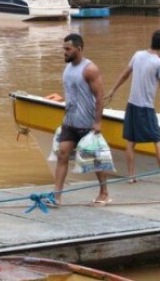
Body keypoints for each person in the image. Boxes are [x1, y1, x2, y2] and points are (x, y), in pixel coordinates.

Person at [107, 30, 160, 186]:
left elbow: (125, 74)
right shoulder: (159, 63)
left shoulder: (138, 55)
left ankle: (131, 176)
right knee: (157, 140)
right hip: (146, 107)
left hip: (132, 104)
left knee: (131, 141)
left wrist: (113, 90)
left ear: (152, 40)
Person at [51, 33, 110, 207]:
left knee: (95, 159)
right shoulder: (67, 67)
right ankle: (56, 196)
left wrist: (98, 122)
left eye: (68, 49)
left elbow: (100, 97)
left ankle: (104, 193)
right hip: (69, 121)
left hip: (87, 122)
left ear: (79, 49)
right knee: (62, 154)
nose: (65, 52)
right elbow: (71, 91)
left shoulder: (90, 69)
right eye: (64, 49)